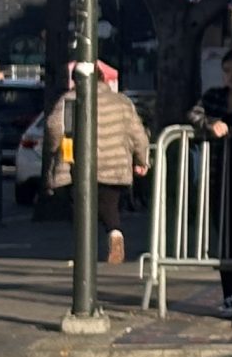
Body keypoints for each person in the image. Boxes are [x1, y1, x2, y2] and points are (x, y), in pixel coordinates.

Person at [43, 65, 152, 264]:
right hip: (114, 165)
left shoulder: (70, 100)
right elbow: (138, 134)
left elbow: (53, 127)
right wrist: (142, 159)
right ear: (103, 79)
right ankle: (115, 233)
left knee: (80, 208)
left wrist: (54, 149)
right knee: (108, 204)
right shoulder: (121, 102)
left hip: (76, 166)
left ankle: (85, 252)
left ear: (76, 80)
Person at [189, 51, 232, 315]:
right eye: (228, 70)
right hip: (220, 176)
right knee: (225, 236)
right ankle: (228, 296)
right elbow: (193, 114)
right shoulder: (214, 96)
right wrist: (210, 123)